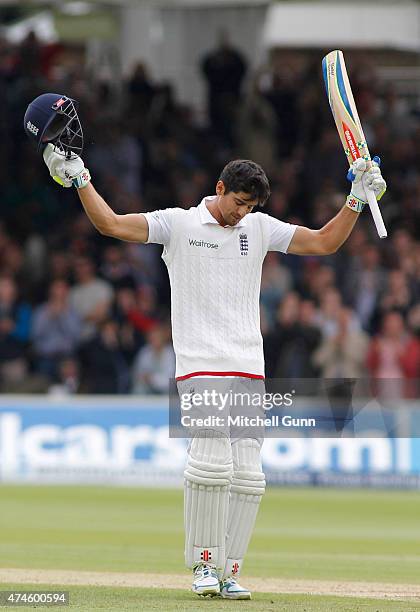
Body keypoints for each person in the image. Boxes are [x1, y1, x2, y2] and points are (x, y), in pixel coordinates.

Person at [42, 143, 386, 600]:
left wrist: (356, 200)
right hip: (199, 363)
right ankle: (203, 565)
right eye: (238, 203)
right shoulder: (178, 223)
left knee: (248, 475)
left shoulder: (258, 227)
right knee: (210, 463)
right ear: (219, 188)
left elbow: (324, 241)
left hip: (248, 364)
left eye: (250, 207)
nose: (242, 214)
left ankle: (229, 571)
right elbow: (109, 223)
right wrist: (79, 176)